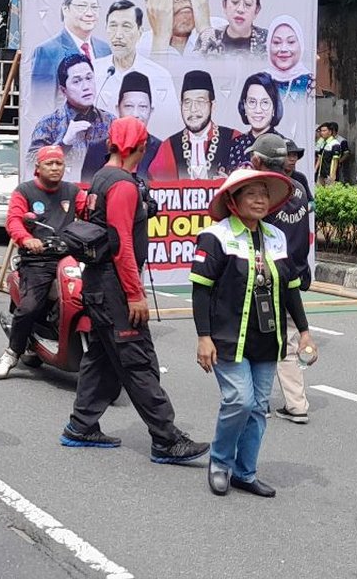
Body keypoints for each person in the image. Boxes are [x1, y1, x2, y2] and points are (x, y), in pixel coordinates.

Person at [58, 117, 210, 465]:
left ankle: (80, 426)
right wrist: (134, 293)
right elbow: (122, 245)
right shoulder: (124, 186)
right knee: (138, 361)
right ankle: (166, 439)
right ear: (140, 147)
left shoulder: (101, 177)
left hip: (97, 284)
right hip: (114, 287)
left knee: (101, 358)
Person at [191, 169, 315, 498]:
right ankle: (220, 462)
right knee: (239, 401)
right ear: (233, 201)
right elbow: (201, 291)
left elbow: (290, 290)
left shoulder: (276, 237)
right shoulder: (215, 237)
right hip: (228, 338)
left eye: (264, 193)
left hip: (266, 337)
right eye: (251, 194)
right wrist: (204, 337)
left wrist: (304, 331)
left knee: (259, 407)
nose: (260, 199)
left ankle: (245, 472)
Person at [0, 145, 88, 378]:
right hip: (38, 260)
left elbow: (89, 212)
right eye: (50, 164)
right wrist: (27, 240)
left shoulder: (73, 191)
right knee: (29, 307)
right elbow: (14, 221)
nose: (55, 168)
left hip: (69, 258)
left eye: (59, 164)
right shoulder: (24, 192)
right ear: (38, 168)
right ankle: (12, 352)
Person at [247, 135, 316, 424]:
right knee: (286, 339)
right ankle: (297, 403)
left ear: (258, 161)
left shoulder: (261, 196)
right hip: (294, 272)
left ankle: (258, 402)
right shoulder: (298, 189)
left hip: (264, 276)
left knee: (255, 338)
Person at [92, 0, 180, 139]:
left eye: (126, 27)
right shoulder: (92, 72)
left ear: (139, 32)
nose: (118, 35)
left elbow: (172, 126)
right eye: (113, 26)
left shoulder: (159, 75)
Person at [27, 52, 115, 181]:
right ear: (63, 90)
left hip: (99, 193)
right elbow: (30, 164)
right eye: (77, 81)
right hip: (61, 194)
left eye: (89, 78)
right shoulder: (49, 123)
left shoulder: (110, 121)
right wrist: (64, 143)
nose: (86, 87)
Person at [31, 0, 113, 99]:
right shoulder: (47, 51)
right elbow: (41, 103)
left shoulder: (104, 49)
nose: (90, 13)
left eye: (94, 7)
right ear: (65, 9)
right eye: (82, 6)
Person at [150, 70, 240, 181]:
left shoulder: (234, 139)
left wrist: (233, 184)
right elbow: (155, 188)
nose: (193, 109)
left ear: (213, 106)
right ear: (181, 105)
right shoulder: (169, 146)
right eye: (187, 102)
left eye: (200, 102)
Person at [82, 71, 162, 181]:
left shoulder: (161, 149)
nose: (135, 114)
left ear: (150, 111)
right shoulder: (96, 150)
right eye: (129, 106)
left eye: (142, 107)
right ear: (117, 109)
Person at [198, 0, 268, 56]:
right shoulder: (207, 40)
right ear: (224, 4)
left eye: (248, 4)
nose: (240, 9)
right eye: (235, 2)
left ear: (257, 10)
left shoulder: (270, 41)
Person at [227, 73, 285, 168]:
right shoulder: (234, 145)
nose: (258, 110)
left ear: (274, 107)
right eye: (252, 102)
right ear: (244, 105)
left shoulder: (284, 144)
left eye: (265, 102)